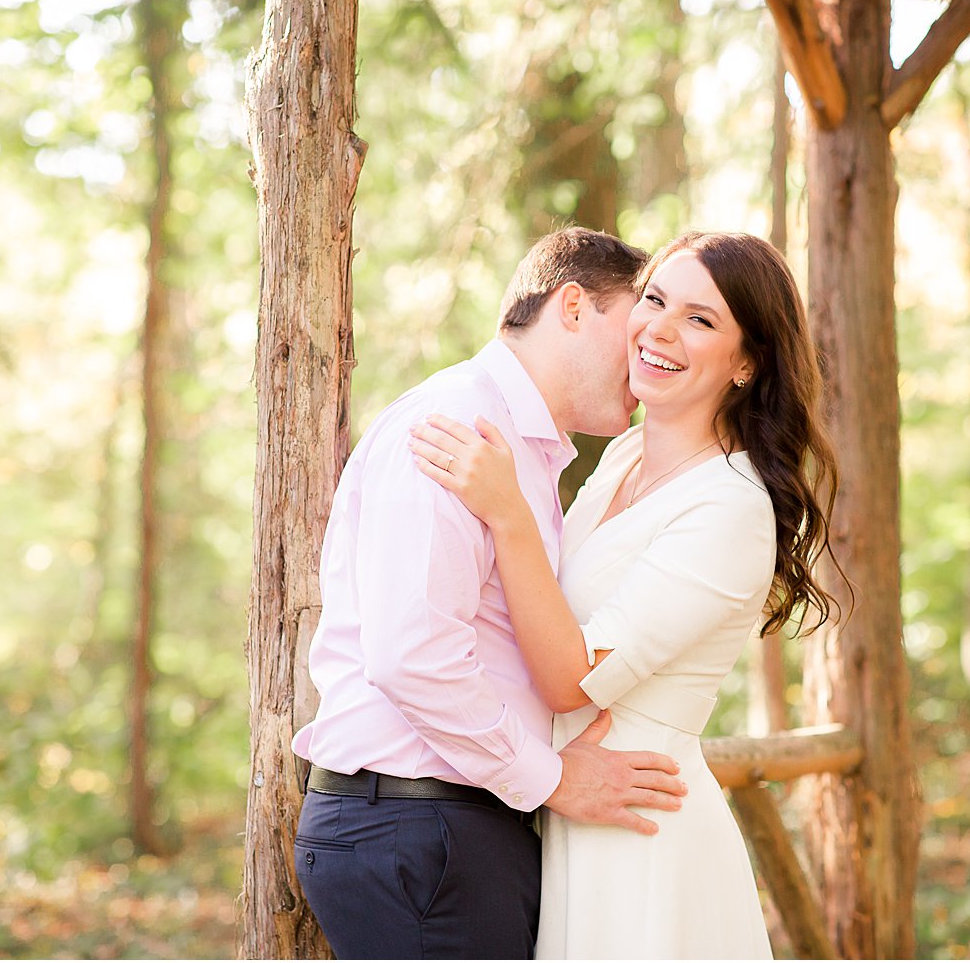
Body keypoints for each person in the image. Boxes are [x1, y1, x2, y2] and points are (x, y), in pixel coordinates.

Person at [409, 230, 841, 959]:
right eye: (654, 300)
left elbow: (573, 676)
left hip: (643, 826)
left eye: (701, 319)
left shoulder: (731, 506)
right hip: (572, 813)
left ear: (745, 362)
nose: (660, 329)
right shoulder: (624, 455)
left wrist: (507, 510)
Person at [290, 227, 691, 961]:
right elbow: (412, 655)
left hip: (448, 829)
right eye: (633, 327)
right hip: (417, 833)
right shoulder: (450, 427)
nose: (643, 361)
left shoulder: (527, 454)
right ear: (573, 308)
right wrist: (552, 779)